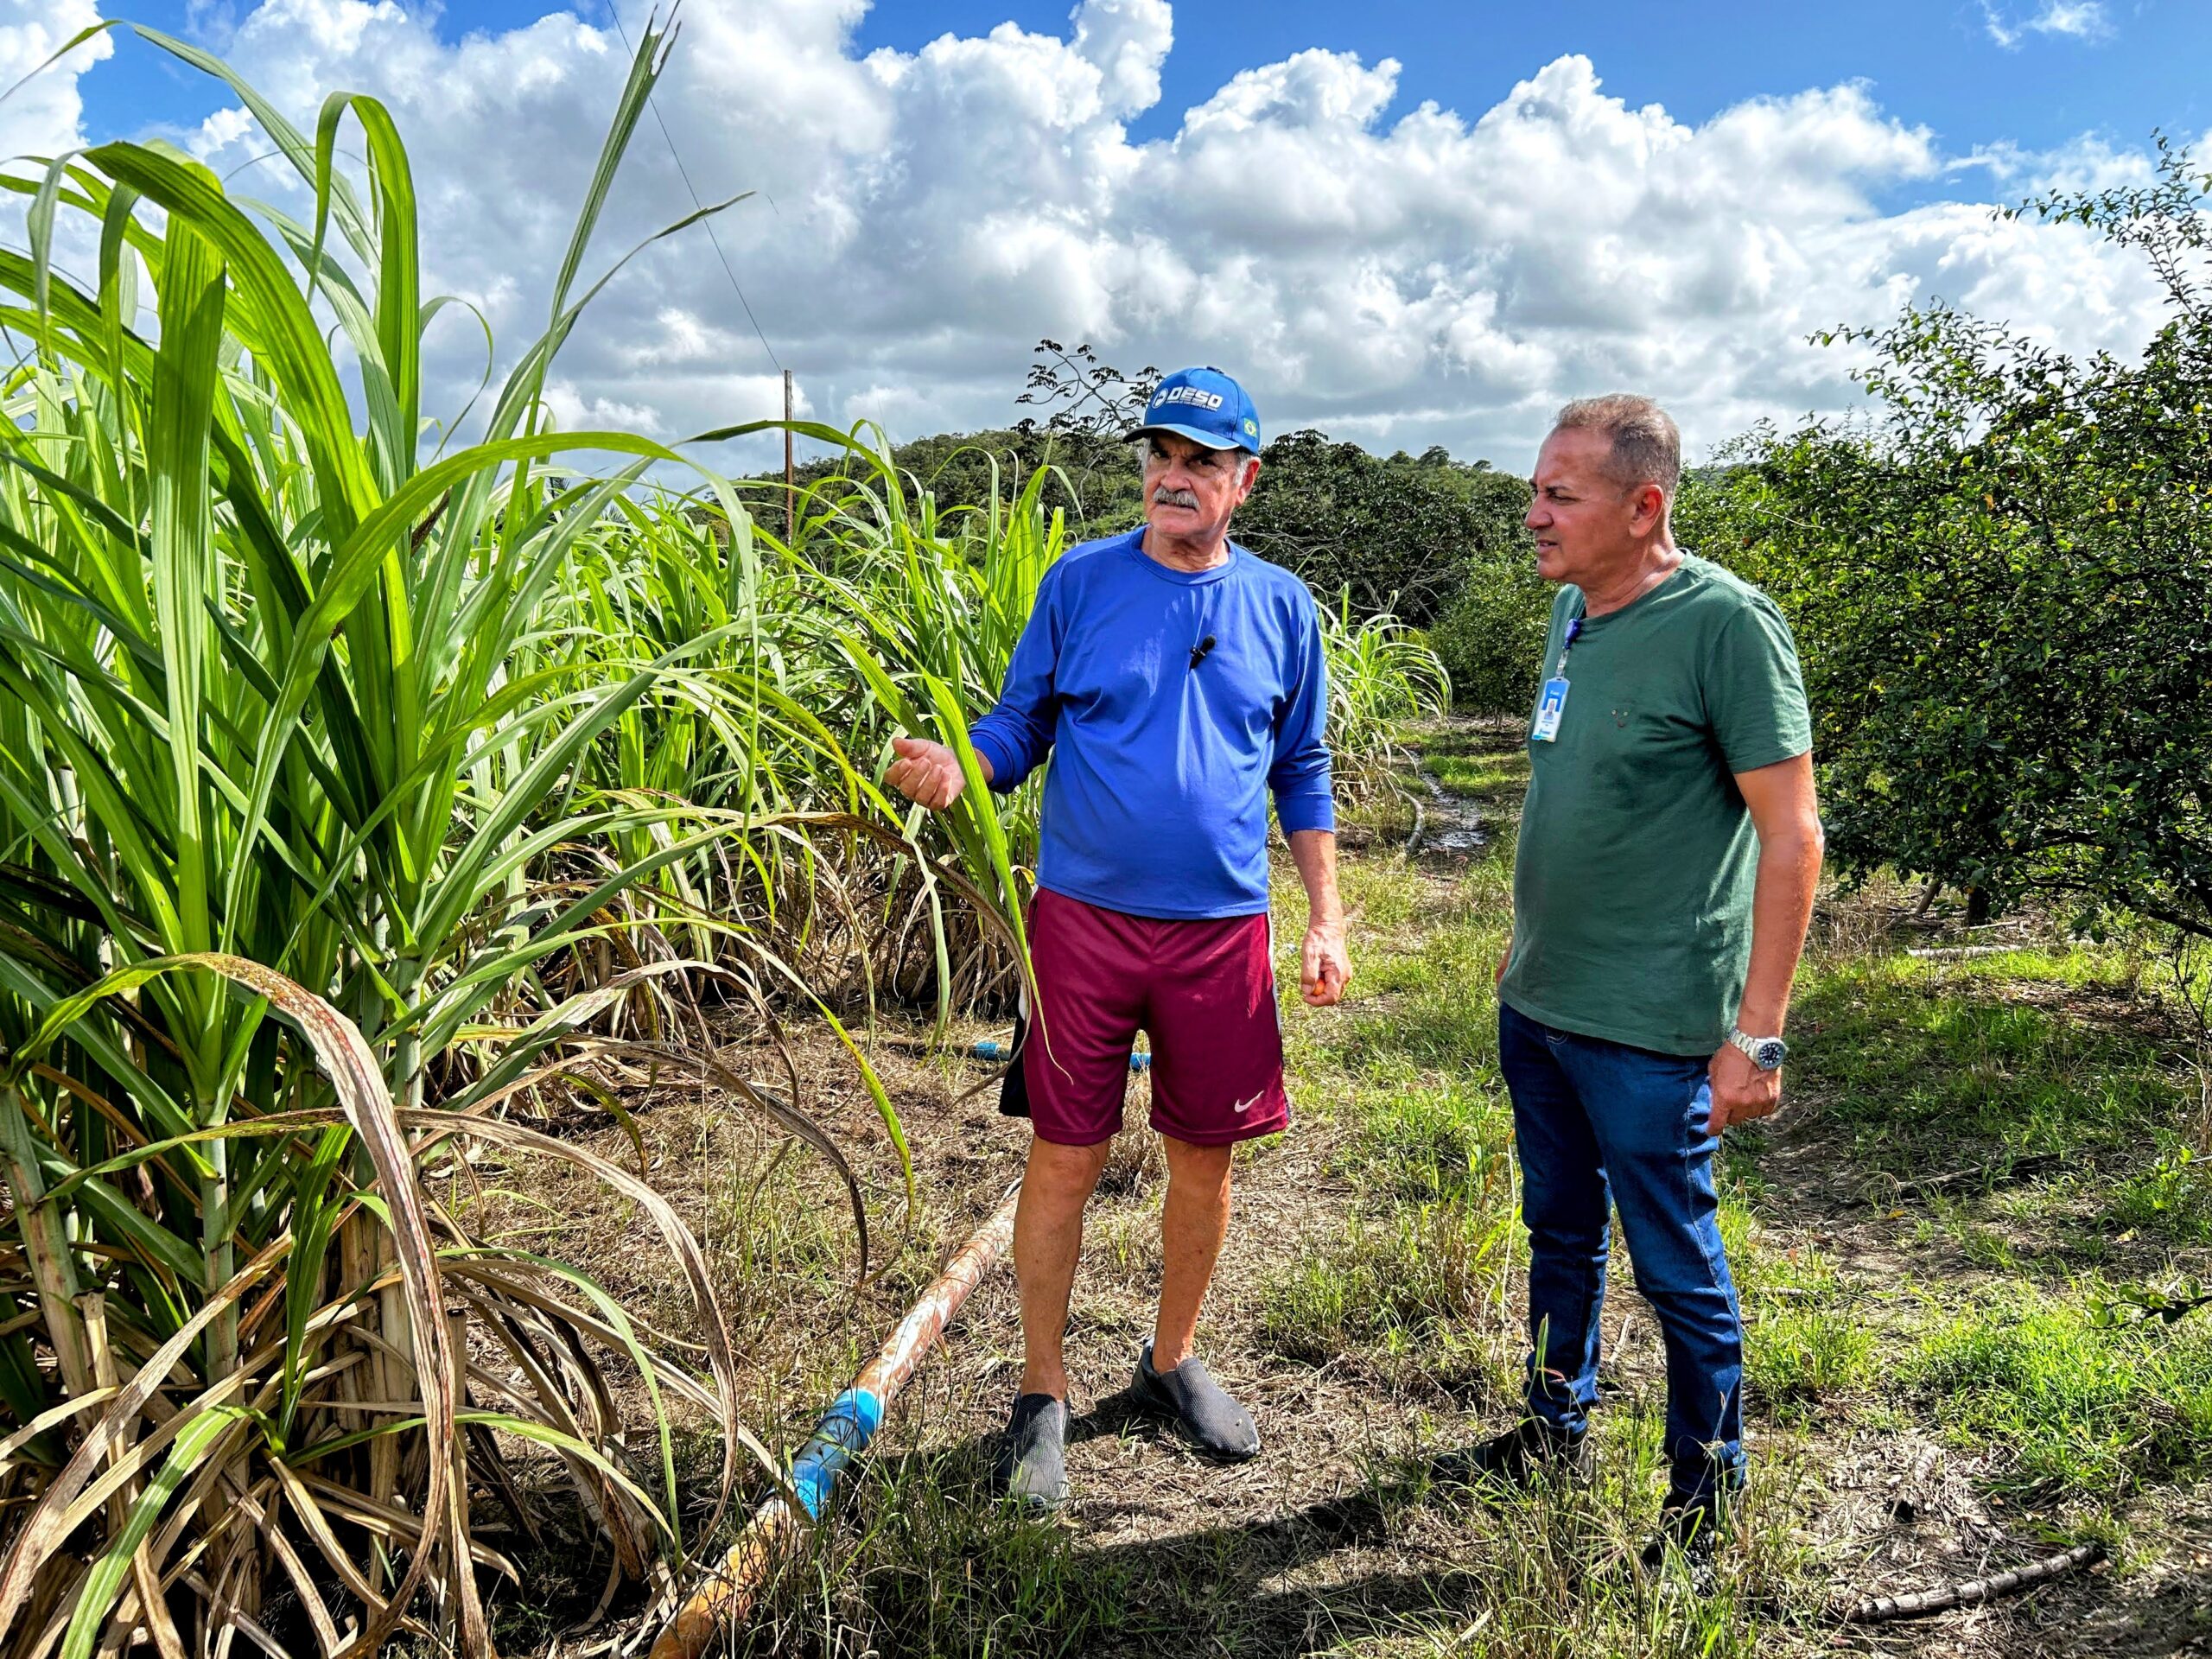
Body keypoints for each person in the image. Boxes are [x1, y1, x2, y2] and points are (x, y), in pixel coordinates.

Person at [883, 366, 1350, 1506]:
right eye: (1160, 455)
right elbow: (1017, 725)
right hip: (1082, 929)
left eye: (1200, 461)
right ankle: (1041, 1392)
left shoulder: (1282, 609)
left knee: (1204, 1153)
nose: (1172, 476)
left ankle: (1171, 1359)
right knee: (1066, 1154)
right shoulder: (1081, 584)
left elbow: (1301, 768)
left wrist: (1327, 916)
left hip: (1223, 933)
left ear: (1244, 480)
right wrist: (961, 770)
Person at [1454, 394, 1824, 1567]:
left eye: (1560, 496)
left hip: (1654, 1028)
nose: (1533, 515)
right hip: (1545, 1004)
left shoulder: (1728, 627)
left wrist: (1755, 1033)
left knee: (1678, 1268)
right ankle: (1555, 1422)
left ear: (1644, 504)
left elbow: (1793, 836)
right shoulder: (1574, 611)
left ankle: (1704, 1511)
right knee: (1558, 1228)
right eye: (1536, 489)